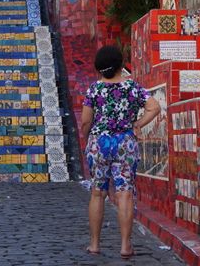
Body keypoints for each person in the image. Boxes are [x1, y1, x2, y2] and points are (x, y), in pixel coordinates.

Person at [80, 45, 160, 259]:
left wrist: (87, 137)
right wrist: (138, 124)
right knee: (124, 192)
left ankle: (95, 244)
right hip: (125, 142)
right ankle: (125, 246)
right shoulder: (133, 87)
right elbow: (154, 107)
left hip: (100, 143)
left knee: (98, 192)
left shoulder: (94, 89)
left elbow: (86, 120)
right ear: (120, 65)